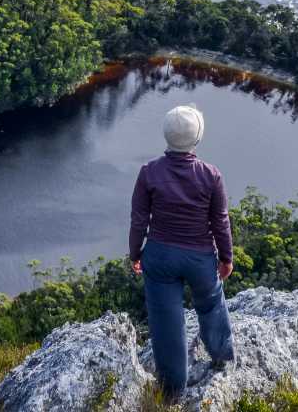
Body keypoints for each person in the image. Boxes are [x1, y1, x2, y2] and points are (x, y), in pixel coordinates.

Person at [129, 104, 235, 400]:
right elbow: (220, 221)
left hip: (160, 257)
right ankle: (222, 357)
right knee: (211, 303)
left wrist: (135, 253)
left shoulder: (148, 173)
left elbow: (139, 220)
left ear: (166, 136)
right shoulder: (211, 175)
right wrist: (226, 258)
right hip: (200, 256)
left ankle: (173, 392)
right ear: (197, 138)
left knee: (166, 322)